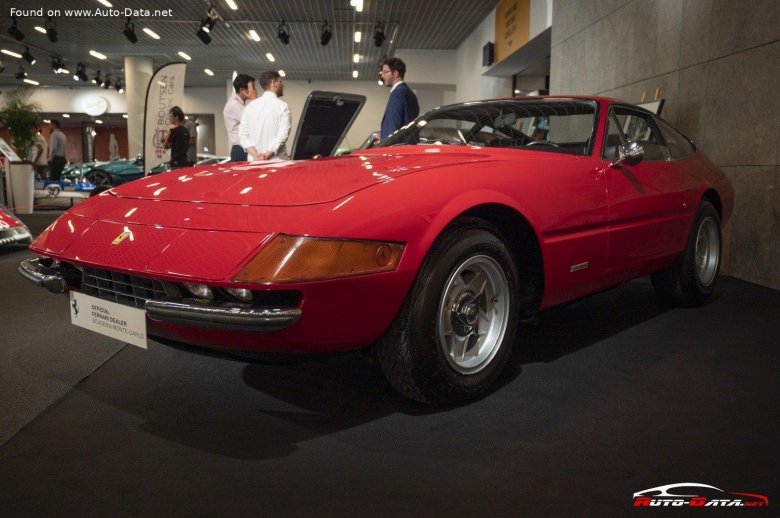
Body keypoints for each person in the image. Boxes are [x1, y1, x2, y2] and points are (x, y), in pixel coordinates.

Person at [239, 70, 291, 161]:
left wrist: (257, 156)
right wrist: (266, 156)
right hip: (277, 163)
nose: (283, 85)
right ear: (273, 83)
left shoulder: (249, 107)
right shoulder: (283, 106)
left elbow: (243, 136)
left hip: (254, 163)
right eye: (280, 82)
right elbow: (282, 135)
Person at [379, 57, 419, 140]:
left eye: (385, 72)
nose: (382, 75)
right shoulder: (410, 94)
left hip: (395, 150)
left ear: (395, 73)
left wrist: (385, 143)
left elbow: (393, 126)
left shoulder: (397, 93)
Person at [223, 74, 257, 161]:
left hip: (243, 148)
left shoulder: (238, 103)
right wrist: (254, 100)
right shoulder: (234, 104)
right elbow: (254, 121)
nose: (254, 90)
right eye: (252, 87)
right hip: (241, 150)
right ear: (242, 90)